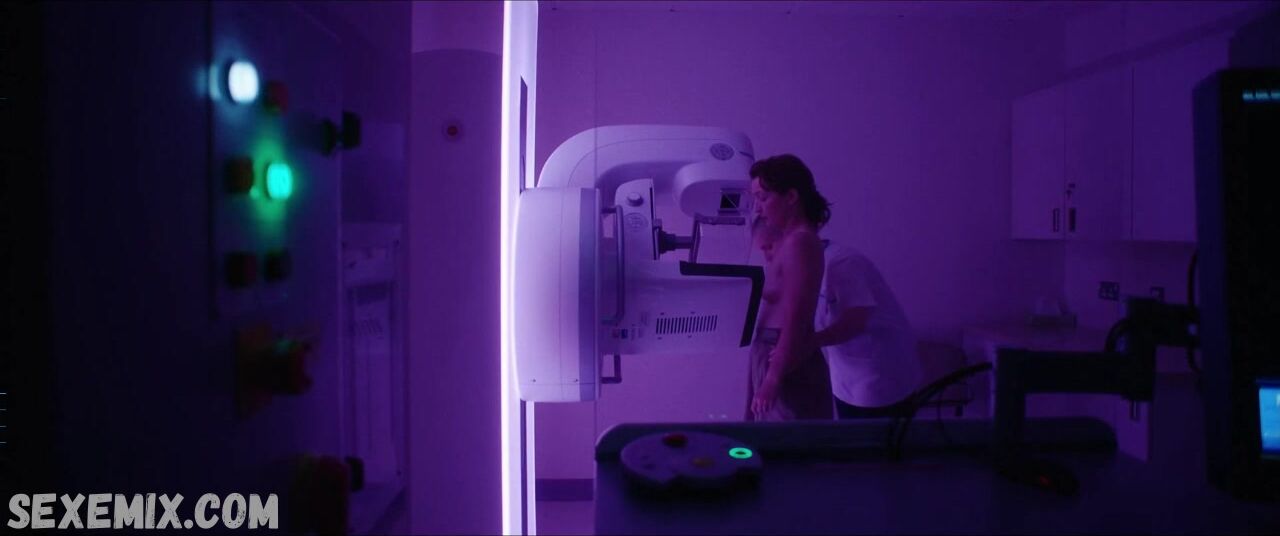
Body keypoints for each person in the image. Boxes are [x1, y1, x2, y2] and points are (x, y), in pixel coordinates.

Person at [746, 154, 834, 421]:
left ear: (791, 196)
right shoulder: (789, 242)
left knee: (785, 437)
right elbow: (781, 297)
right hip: (772, 350)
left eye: (763, 198)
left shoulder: (800, 242)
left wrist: (773, 378)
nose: (758, 209)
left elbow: (797, 315)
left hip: (782, 353)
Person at [813, 238, 922, 419]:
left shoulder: (843, 262)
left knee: (877, 433)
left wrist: (807, 343)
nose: (770, 258)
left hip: (880, 374)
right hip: (845, 374)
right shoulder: (806, 269)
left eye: (770, 248)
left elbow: (854, 321)